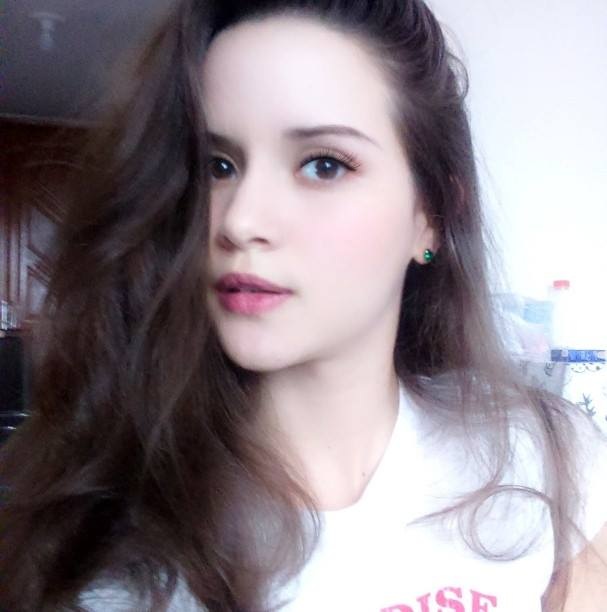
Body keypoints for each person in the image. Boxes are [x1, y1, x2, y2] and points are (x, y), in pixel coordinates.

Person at [0, 1, 605, 610]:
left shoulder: (544, 459)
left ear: (431, 215)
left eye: (324, 165)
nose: (240, 220)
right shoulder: (100, 558)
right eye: (218, 166)